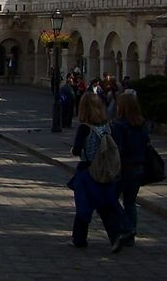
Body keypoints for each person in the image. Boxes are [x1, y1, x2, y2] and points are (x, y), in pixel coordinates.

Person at [68, 93, 134, 252]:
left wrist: (74, 149)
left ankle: (79, 239)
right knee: (106, 204)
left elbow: (77, 150)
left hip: (88, 171)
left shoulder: (84, 128)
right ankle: (119, 233)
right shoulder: (106, 126)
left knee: (84, 206)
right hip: (105, 171)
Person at [111, 94, 149, 244]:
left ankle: (127, 228)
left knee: (111, 200)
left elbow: (117, 149)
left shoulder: (119, 125)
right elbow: (146, 144)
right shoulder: (142, 124)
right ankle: (130, 237)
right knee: (130, 202)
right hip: (139, 167)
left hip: (124, 168)